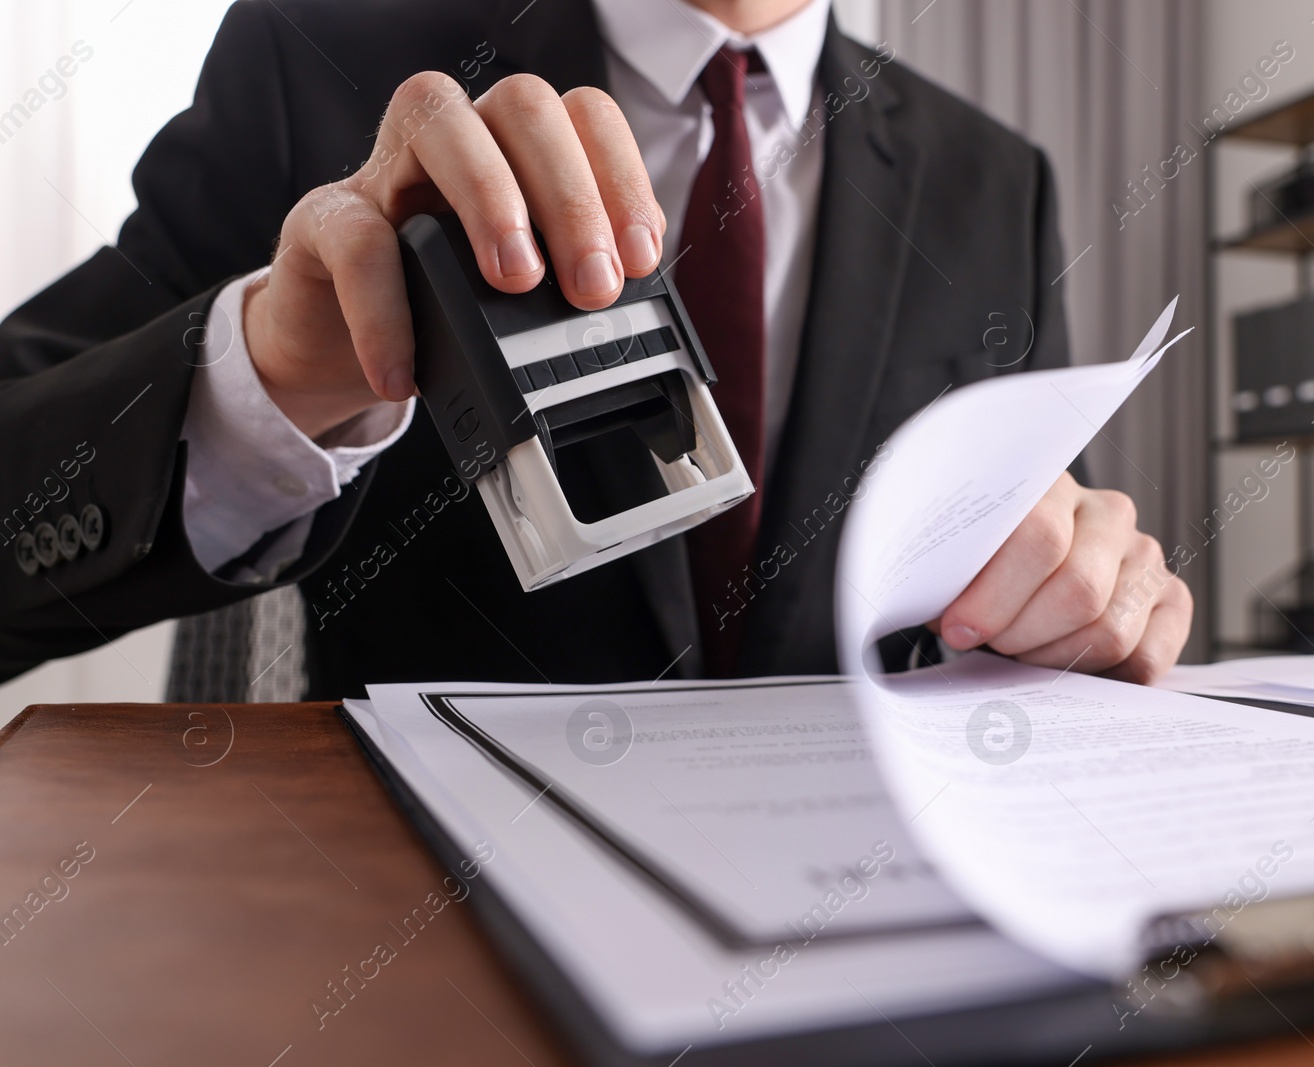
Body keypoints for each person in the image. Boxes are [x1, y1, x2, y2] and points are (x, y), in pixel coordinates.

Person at [0, 0, 1191, 696]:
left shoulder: (997, 178)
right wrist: (266, 375)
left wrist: (1080, 602)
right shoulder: (314, 49)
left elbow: (1041, 529)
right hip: (428, 953)